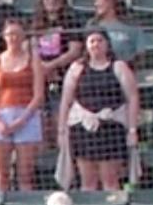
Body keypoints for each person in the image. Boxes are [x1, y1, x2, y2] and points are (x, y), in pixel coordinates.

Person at [57, 29, 141, 193]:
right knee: (88, 182)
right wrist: (62, 130)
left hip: (111, 131)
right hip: (83, 130)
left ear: (107, 44)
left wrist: (132, 129)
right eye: (91, 41)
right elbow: (66, 101)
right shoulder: (77, 68)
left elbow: (133, 98)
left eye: (99, 40)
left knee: (110, 181)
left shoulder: (119, 67)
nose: (95, 44)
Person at [0, 20, 43, 191]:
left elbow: (38, 95)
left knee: (25, 175)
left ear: (23, 37)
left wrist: (21, 121)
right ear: (4, 37)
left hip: (27, 116)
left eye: (17, 34)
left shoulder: (33, 61)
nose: (13, 38)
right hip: (1, 116)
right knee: (2, 175)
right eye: (10, 34)